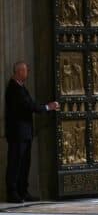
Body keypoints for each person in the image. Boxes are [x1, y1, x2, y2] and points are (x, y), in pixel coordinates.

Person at [5, 61, 59, 203]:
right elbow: (28, 106)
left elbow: (30, 104)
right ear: (18, 72)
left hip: (25, 133)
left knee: (24, 164)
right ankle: (12, 193)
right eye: (25, 70)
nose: (27, 72)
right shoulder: (14, 88)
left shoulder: (21, 87)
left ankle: (23, 191)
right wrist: (48, 107)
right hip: (17, 134)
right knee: (15, 164)